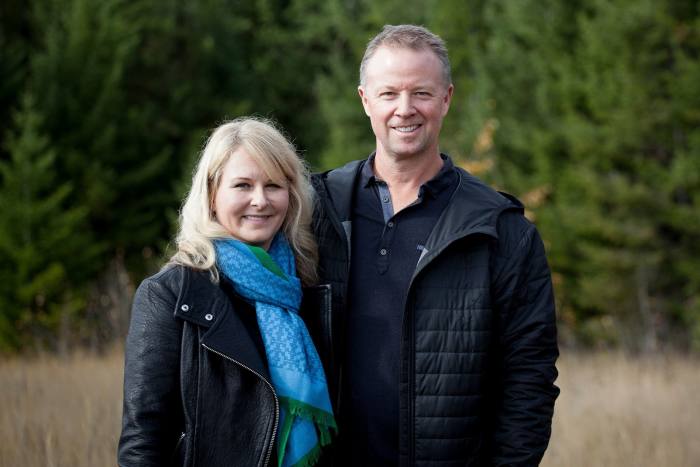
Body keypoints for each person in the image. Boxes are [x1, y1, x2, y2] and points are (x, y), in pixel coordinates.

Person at [309, 25, 559, 466]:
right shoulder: (315, 210)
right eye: (389, 94)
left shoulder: (502, 231)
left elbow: (529, 380)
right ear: (365, 100)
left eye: (421, 93)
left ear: (446, 99)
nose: (405, 109)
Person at [118, 117, 336, 467]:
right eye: (243, 185)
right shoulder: (170, 295)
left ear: (290, 195)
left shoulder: (304, 287)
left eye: (274, 186)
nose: (260, 200)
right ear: (212, 195)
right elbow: (143, 438)